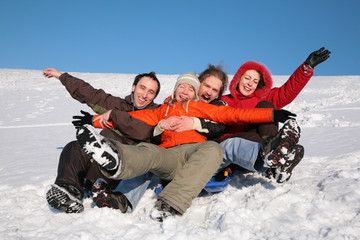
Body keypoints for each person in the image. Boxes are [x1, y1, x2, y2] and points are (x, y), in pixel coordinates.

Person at [74, 72, 297, 221]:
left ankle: (268, 156)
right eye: (182, 87)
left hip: (200, 156)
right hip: (169, 158)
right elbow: (131, 118)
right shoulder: (160, 111)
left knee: (219, 148)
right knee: (150, 152)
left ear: (196, 94)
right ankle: (117, 163)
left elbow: (233, 113)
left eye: (190, 90)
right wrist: (92, 121)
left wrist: (270, 113)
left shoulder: (200, 108)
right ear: (175, 89)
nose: (185, 91)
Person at [91, 65, 229, 214]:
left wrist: (194, 122)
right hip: (169, 157)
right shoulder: (166, 108)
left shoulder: (212, 108)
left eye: (214, 90)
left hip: (195, 154)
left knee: (213, 149)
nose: (209, 92)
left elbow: (221, 126)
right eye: (206, 86)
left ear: (218, 95)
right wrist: (160, 126)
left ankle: (171, 203)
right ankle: (121, 190)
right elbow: (144, 126)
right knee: (150, 152)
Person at [42, 68, 161, 213]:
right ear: (134, 87)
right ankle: (69, 191)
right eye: (142, 88)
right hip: (99, 166)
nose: (145, 95)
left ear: (154, 96)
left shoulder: (156, 114)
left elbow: (142, 131)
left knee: (109, 135)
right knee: (73, 147)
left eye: (151, 92)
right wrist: (61, 76)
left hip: (121, 170)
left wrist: (113, 116)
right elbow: (91, 94)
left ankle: (96, 187)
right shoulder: (119, 105)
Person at [218, 47, 331, 182]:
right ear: (238, 78)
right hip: (234, 152)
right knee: (254, 128)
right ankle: (275, 153)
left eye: (255, 81)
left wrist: (306, 68)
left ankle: (274, 160)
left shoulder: (261, 99)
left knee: (267, 107)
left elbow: (286, 92)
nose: (250, 83)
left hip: (258, 151)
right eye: (247, 78)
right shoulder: (225, 101)